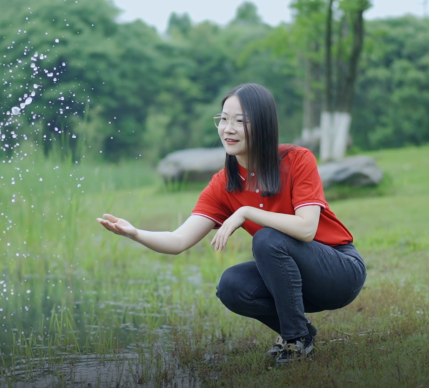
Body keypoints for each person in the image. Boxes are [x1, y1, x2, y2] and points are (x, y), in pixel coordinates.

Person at [97, 83, 366, 366]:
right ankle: (302, 334)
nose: (228, 128)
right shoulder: (223, 184)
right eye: (223, 119)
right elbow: (178, 241)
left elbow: (306, 229)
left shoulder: (298, 159)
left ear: (262, 125)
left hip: (339, 272)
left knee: (267, 239)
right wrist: (136, 233)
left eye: (240, 121)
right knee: (232, 285)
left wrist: (246, 212)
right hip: (294, 281)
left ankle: (294, 340)